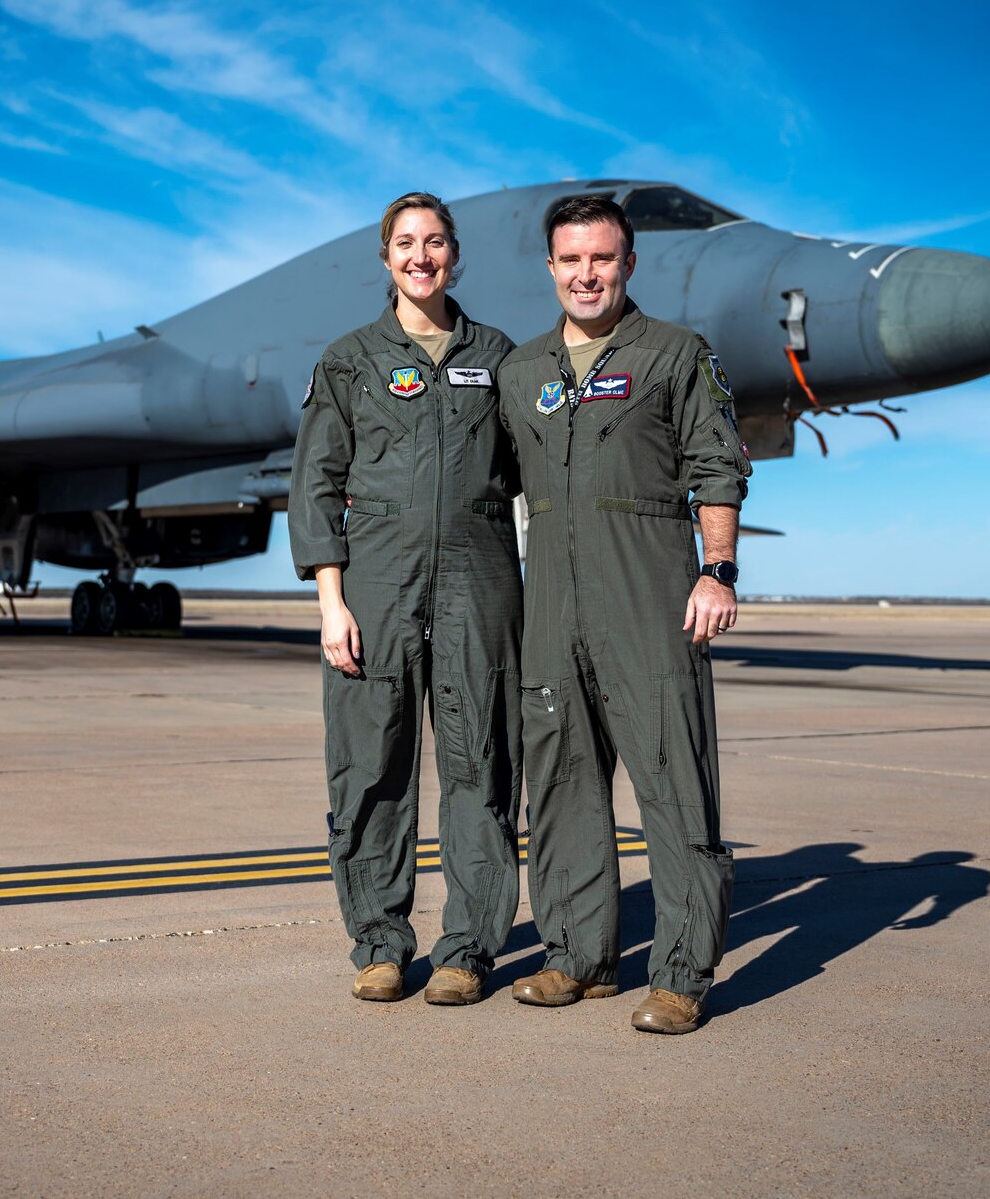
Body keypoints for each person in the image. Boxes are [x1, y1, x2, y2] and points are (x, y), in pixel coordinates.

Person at [495, 193, 751, 1033]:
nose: (586, 274)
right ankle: (578, 957)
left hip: (650, 603)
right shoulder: (522, 371)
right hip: (552, 610)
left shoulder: (675, 354)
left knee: (675, 786)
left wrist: (717, 570)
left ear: (628, 263)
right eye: (571, 260)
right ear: (551, 268)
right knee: (563, 784)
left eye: (602, 258)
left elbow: (718, 465)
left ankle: (682, 974)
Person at [288, 192, 524, 1005]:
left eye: (435, 242)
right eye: (406, 243)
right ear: (385, 257)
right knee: (369, 769)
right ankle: (380, 943)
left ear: (455, 253)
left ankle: (469, 948)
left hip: (478, 583)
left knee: (480, 766)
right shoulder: (351, 359)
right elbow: (315, 484)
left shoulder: (499, 357)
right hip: (375, 588)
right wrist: (332, 601)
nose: (421, 256)